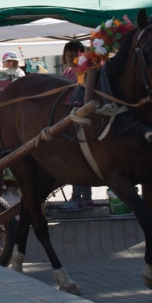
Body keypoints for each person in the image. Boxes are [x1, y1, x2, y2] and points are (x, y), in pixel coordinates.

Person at [58, 41, 93, 211]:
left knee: (77, 159)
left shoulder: (84, 71)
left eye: (74, 53)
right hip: (67, 116)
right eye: (68, 53)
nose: (70, 56)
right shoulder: (65, 73)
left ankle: (77, 198)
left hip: (79, 116)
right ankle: (85, 199)